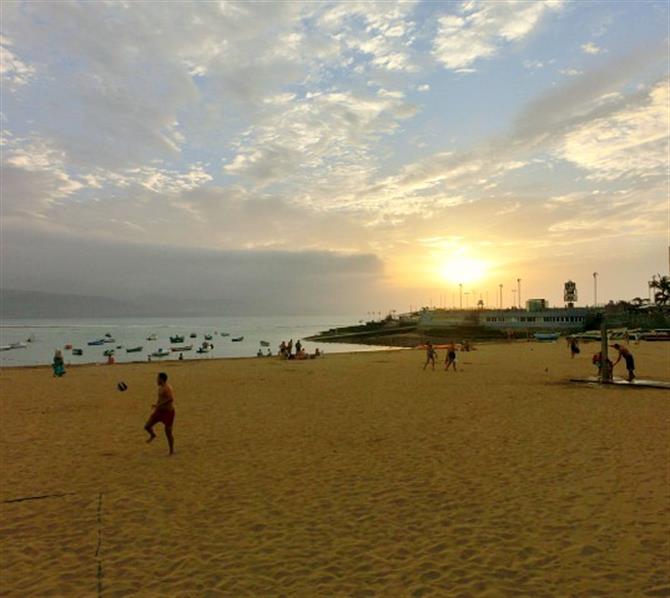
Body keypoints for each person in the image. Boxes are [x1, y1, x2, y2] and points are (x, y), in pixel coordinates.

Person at [144, 372, 175, 455]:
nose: (156, 380)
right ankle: (153, 435)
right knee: (147, 426)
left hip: (168, 412)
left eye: (157, 378)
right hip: (159, 411)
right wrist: (156, 405)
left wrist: (159, 405)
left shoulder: (167, 388)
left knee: (168, 432)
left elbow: (171, 399)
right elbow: (160, 399)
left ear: (161, 379)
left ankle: (171, 450)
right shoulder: (160, 388)